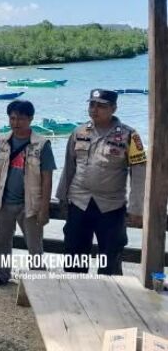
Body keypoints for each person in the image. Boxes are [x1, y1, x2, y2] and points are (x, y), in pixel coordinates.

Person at [56, 89, 146, 275]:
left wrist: (137, 209)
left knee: (110, 258)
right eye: (92, 104)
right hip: (79, 203)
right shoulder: (79, 132)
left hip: (111, 207)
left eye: (101, 106)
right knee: (74, 255)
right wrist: (62, 197)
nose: (94, 109)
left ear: (113, 108)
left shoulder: (130, 136)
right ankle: (75, 298)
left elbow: (139, 174)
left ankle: (110, 300)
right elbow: (69, 167)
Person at [0, 100, 55, 285]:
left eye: (21, 119)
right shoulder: (2, 141)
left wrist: (44, 209)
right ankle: (3, 275)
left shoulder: (41, 144)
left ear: (31, 119)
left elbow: (47, 178)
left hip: (30, 205)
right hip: (5, 202)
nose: (16, 122)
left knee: (34, 246)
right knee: (0, 242)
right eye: (13, 118)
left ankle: (39, 281)